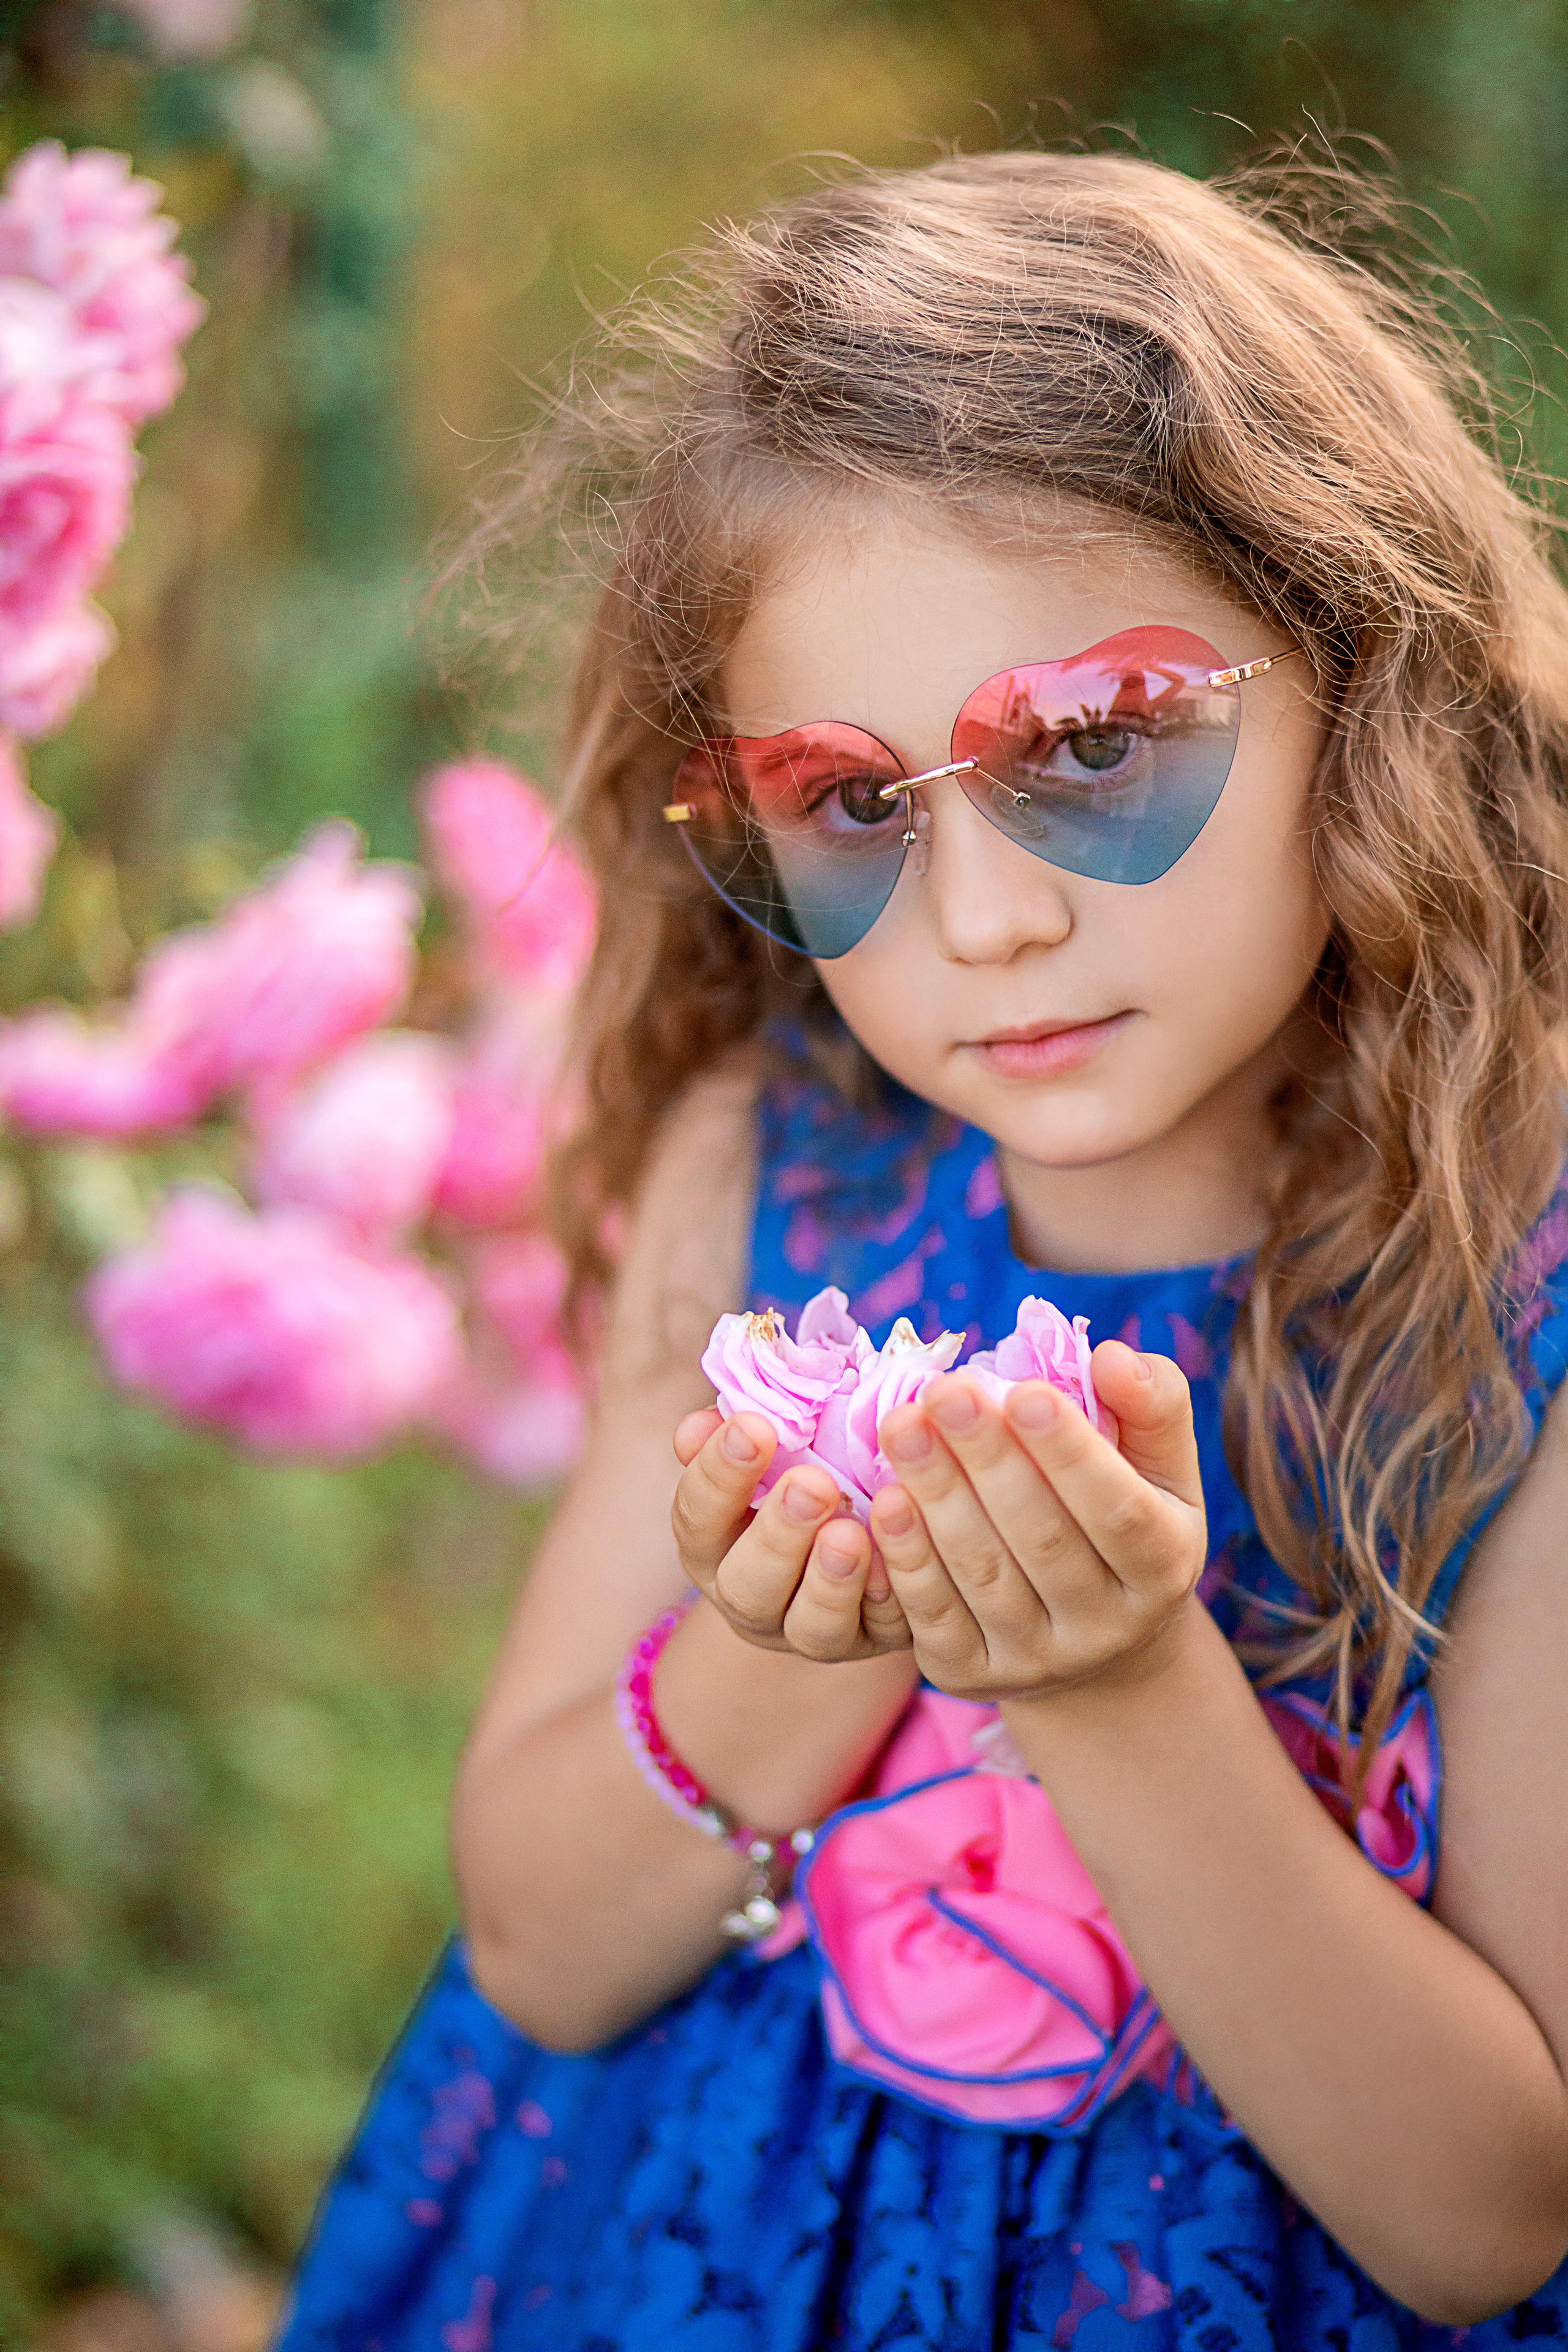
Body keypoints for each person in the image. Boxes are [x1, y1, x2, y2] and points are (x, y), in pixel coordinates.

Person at [276, 148, 1568, 2347]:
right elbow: (548, 1950)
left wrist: (1114, 1685)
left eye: (1087, 747)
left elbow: (1486, 2217)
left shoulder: (1510, 1295)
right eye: (854, 803)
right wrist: (795, 1641)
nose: (986, 923)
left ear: (1367, 673)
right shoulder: (781, 1185)